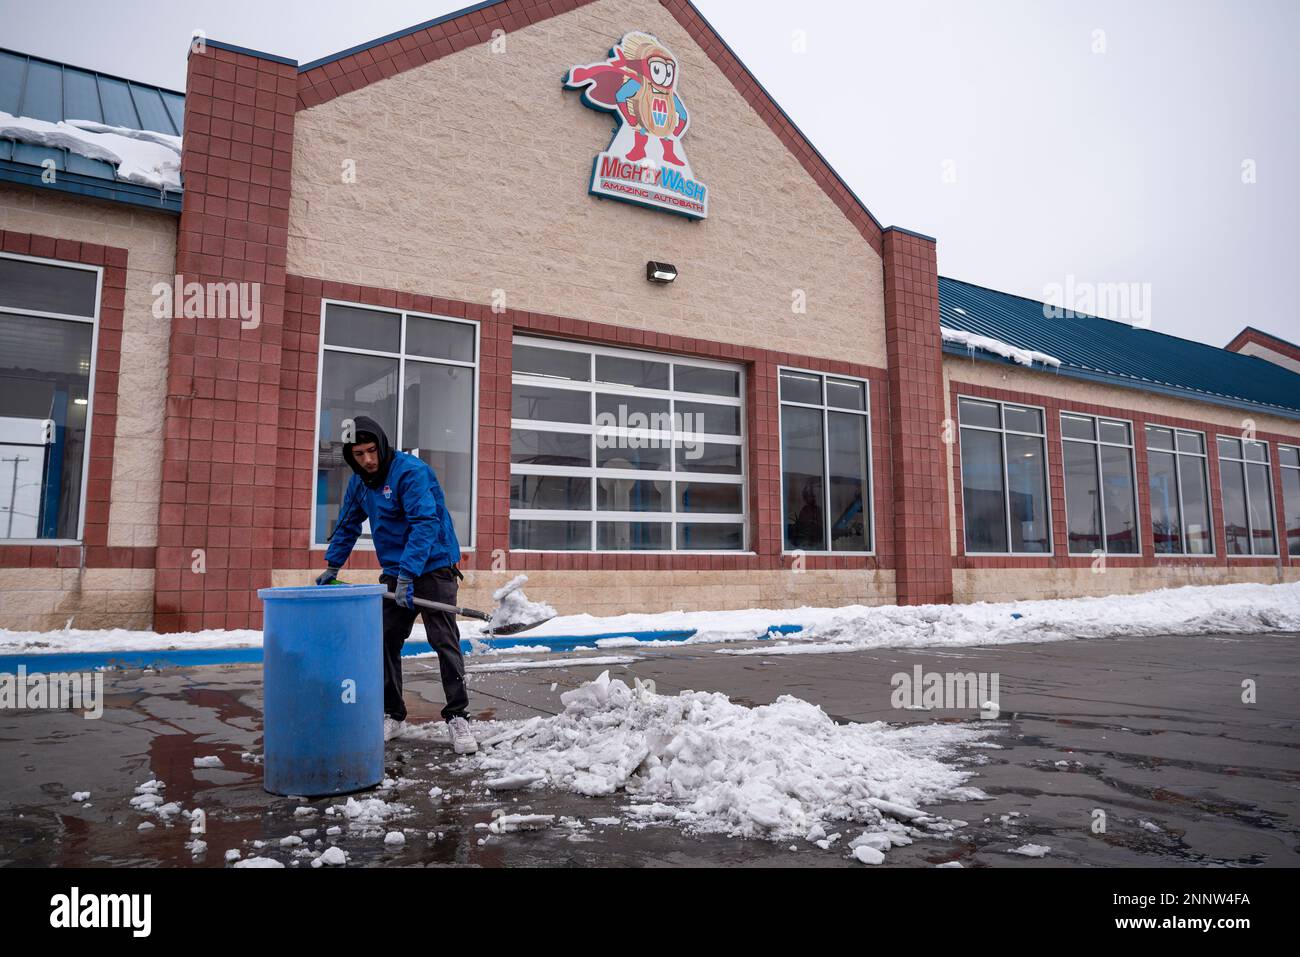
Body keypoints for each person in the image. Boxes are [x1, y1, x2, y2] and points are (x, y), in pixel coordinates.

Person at [315, 414, 477, 754]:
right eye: (358, 454)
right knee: (385, 638)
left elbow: (424, 523)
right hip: (395, 570)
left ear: (382, 445)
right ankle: (394, 713)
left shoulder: (411, 472)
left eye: (371, 451)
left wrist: (409, 572)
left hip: (433, 565)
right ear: (351, 456)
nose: (368, 460)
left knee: (444, 640)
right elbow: (347, 525)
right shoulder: (359, 482)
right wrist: (333, 564)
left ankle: (458, 717)